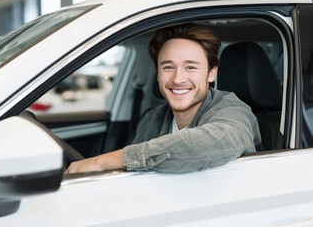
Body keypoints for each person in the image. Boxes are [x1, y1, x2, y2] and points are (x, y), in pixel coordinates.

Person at [65, 23, 261, 174]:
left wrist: (102, 162)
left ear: (211, 74)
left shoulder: (233, 111)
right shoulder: (153, 119)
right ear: (158, 74)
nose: (178, 79)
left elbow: (215, 142)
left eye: (190, 67)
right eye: (168, 67)